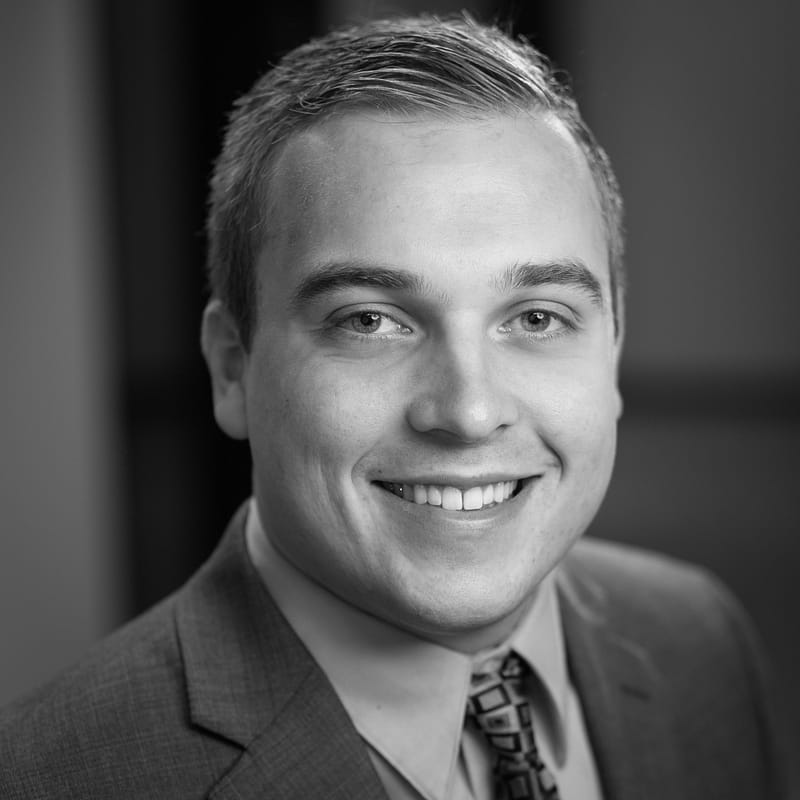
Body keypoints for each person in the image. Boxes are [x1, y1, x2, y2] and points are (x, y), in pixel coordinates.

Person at [0, 14, 788, 800]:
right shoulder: (49, 777)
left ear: (611, 350)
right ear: (232, 368)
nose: (470, 412)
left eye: (537, 318)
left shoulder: (699, 642)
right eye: (369, 321)